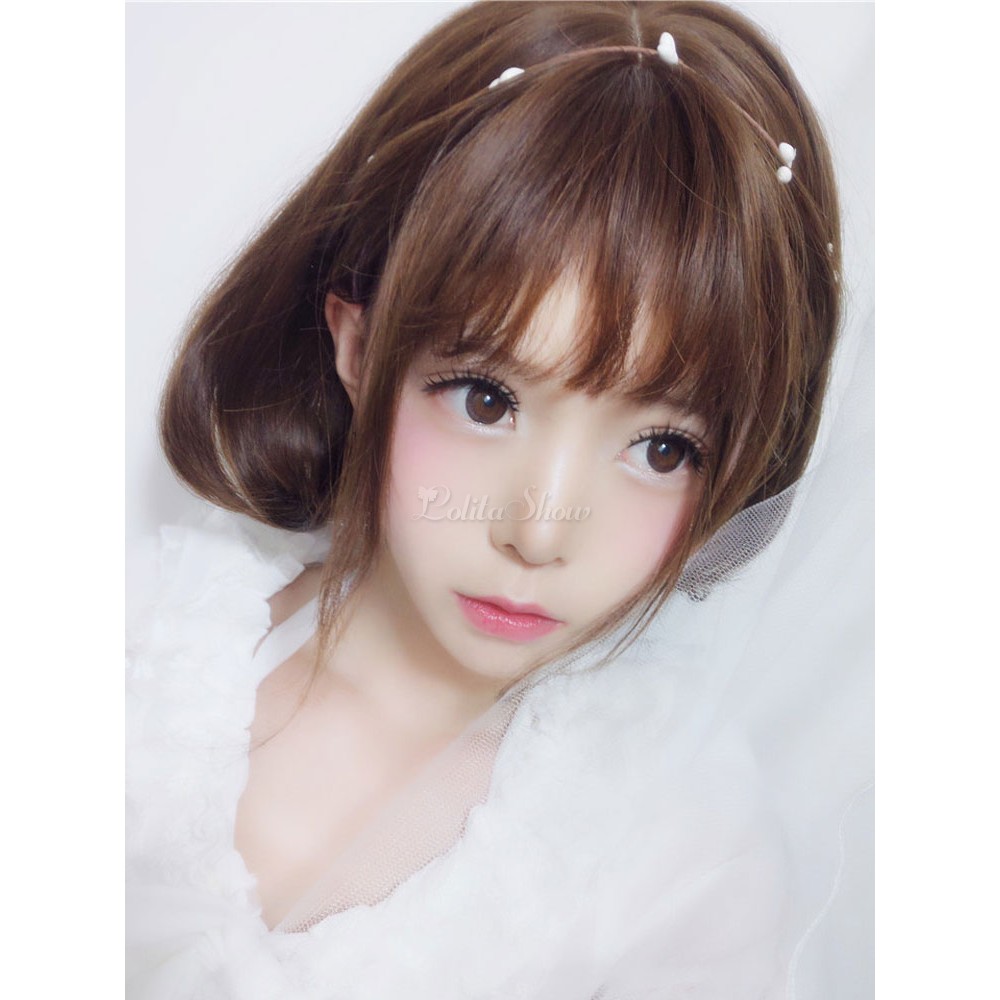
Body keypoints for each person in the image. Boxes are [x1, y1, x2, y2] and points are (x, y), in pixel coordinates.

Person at [126, 2, 873, 997]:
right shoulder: (132, 643)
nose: (541, 530)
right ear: (359, 346)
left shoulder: (681, 871)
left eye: (661, 448)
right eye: (487, 399)